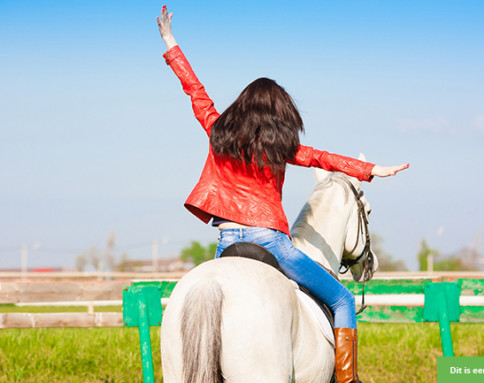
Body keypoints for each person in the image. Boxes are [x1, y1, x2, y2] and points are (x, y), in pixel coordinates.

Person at [157, 6, 408, 383]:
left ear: (241, 107)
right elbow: (322, 158)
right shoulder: (280, 148)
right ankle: (348, 379)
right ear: (280, 114)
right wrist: (372, 170)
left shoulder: (217, 130)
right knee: (341, 300)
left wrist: (171, 44)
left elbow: (197, 93)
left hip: (226, 244)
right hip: (272, 244)